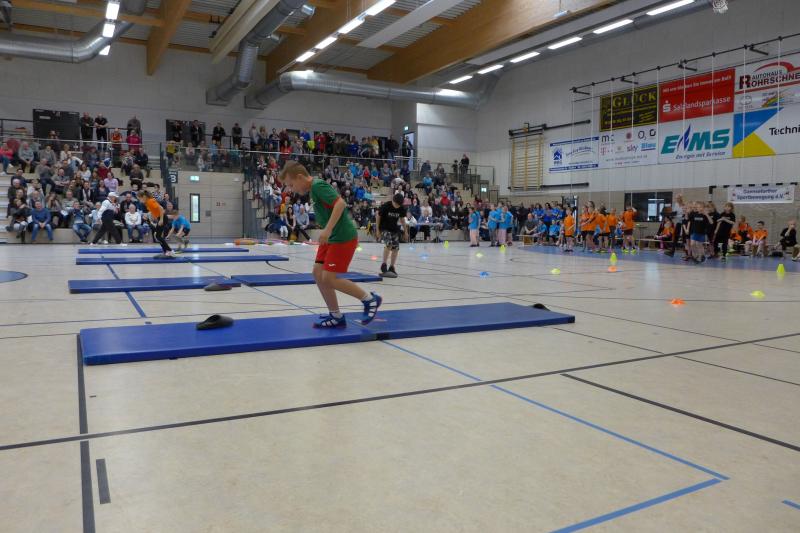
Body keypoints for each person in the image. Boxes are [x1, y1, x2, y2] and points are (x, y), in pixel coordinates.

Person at [279, 161, 382, 328]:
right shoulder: (313, 190)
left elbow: (340, 204)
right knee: (318, 273)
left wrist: (327, 230)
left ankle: (369, 299)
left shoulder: (317, 185)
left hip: (342, 237)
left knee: (329, 278)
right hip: (331, 238)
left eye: (291, 185)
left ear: (300, 177)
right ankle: (336, 315)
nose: (291, 189)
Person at [375, 193, 407, 278]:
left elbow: (402, 219)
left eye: (399, 205)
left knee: (396, 248)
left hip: (394, 229)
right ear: (393, 201)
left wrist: (406, 231)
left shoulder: (401, 208)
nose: (397, 206)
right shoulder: (386, 206)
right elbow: (378, 216)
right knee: (389, 244)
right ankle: (384, 264)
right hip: (384, 228)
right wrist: (377, 230)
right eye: (396, 204)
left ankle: (392, 267)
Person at [139, 190, 174, 256]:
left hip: (163, 218)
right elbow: (154, 211)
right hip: (160, 218)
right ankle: (166, 251)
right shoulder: (147, 202)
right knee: (157, 235)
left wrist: (161, 219)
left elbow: (161, 208)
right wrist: (148, 217)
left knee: (158, 236)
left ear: (144, 197)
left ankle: (170, 250)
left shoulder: (150, 201)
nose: (139, 200)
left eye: (139, 198)